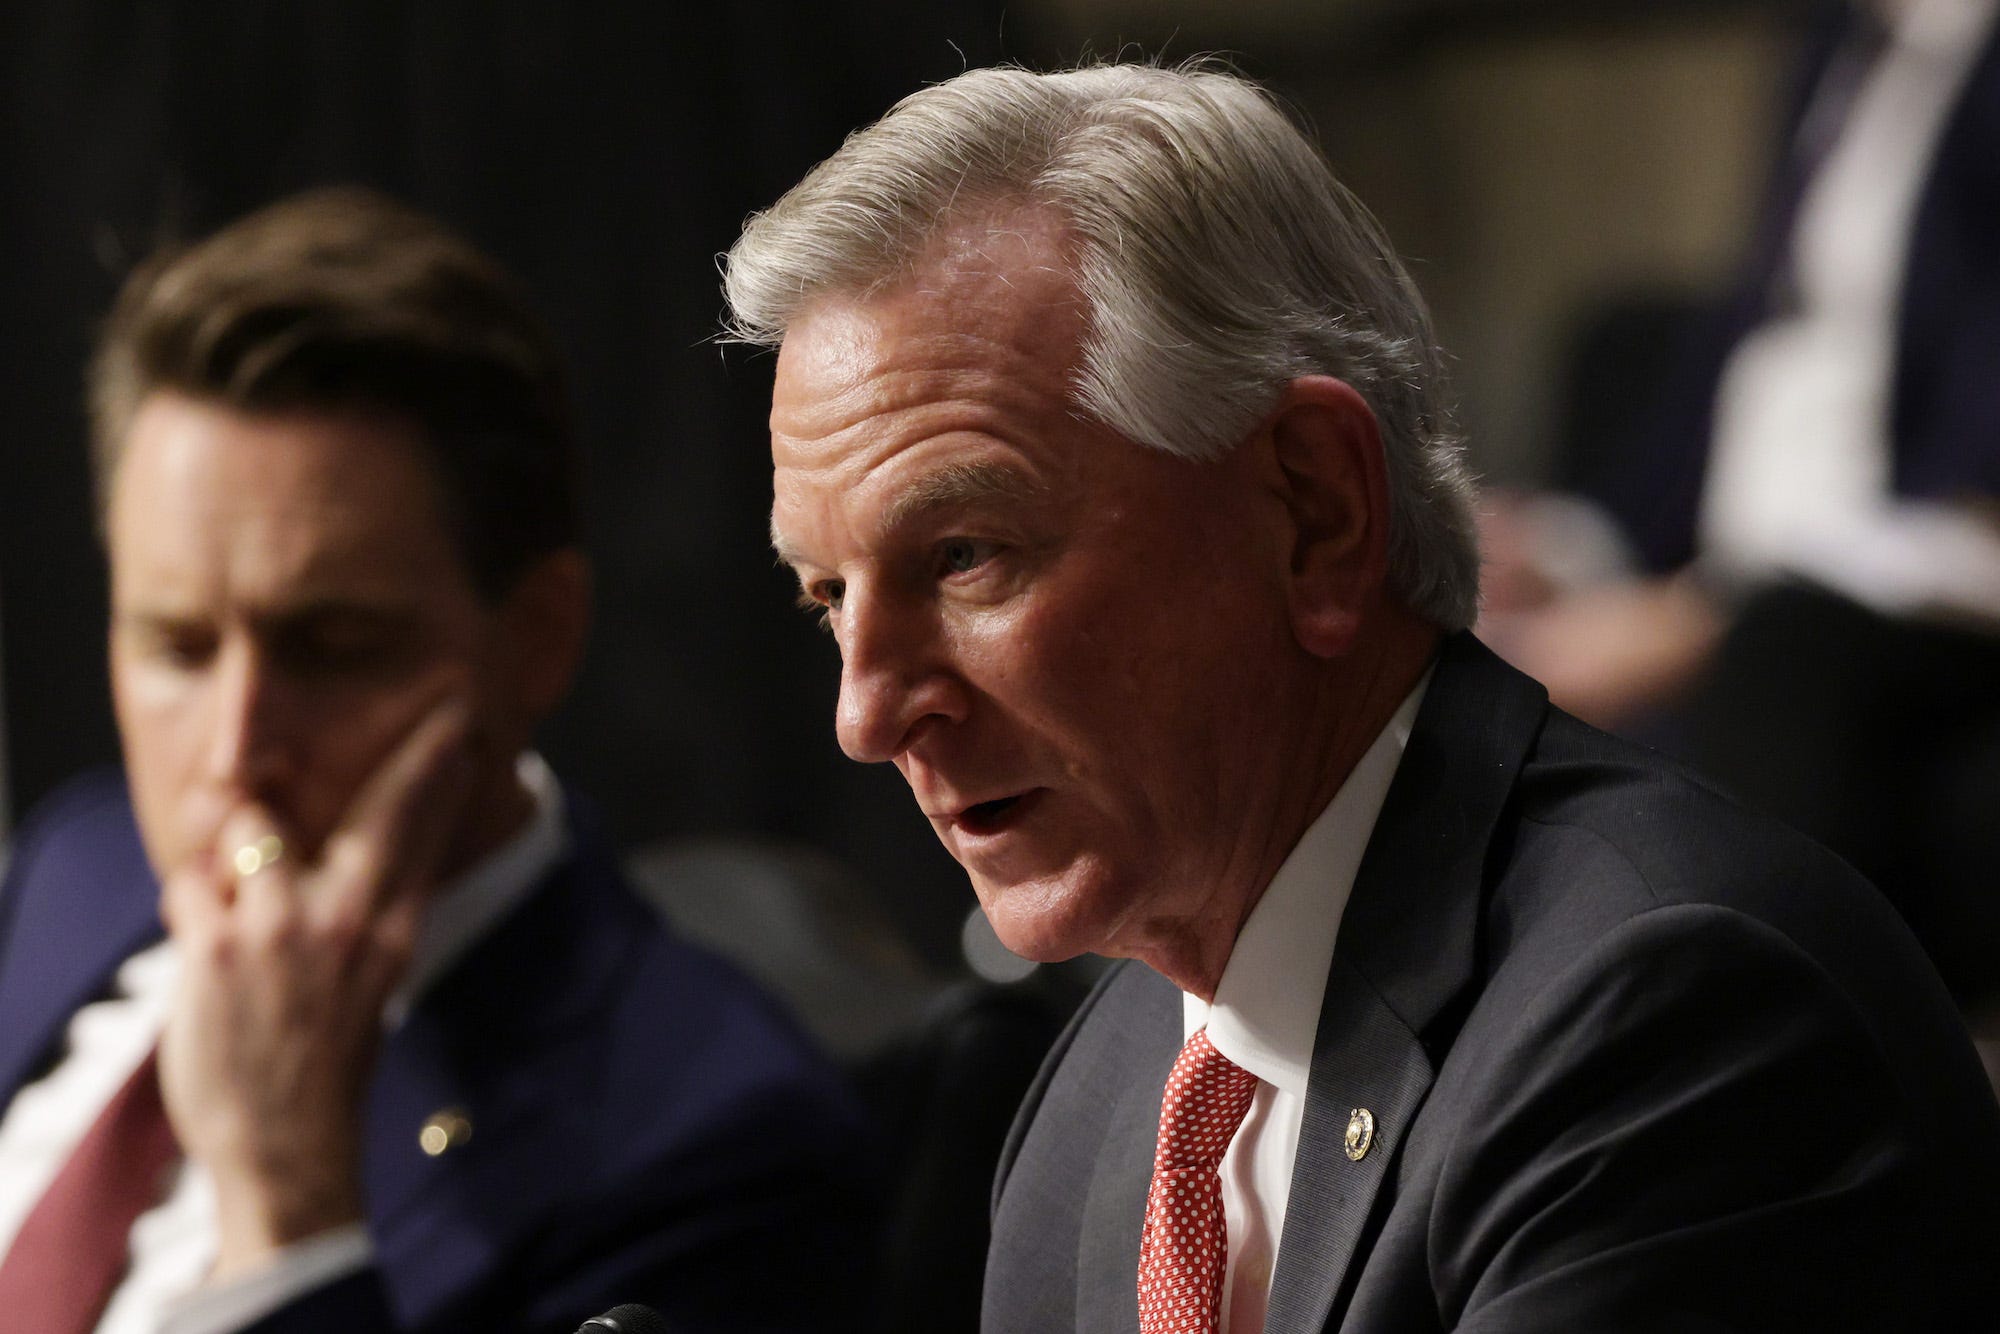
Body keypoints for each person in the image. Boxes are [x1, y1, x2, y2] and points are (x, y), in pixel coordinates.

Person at [723, 61, 2000, 1333]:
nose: (867, 713)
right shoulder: (1100, 1092)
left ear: (1314, 512)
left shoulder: (1672, 1016)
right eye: (826, 597)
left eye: (962, 555)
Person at [0, 188, 875, 1334]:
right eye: (176, 645)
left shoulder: (718, 1144)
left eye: (333, 648)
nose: (233, 750)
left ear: (537, 638)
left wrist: (287, 1197)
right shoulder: (83, 858)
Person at [1478, 0, 2000, 1027]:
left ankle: (1758, 1120)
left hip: (1918, 596)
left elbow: (1971, 493)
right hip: (1745, 587)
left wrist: (1704, 611)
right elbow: (1740, 346)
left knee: (1780, 660)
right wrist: (1561, 548)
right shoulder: (1833, 46)